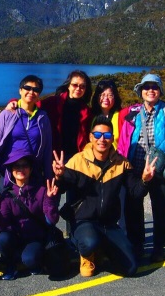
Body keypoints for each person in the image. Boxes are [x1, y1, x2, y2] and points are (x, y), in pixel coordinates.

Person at [53, 116, 156, 277]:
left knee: (130, 268)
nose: (102, 139)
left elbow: (136, 192)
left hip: (109, 224)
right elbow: (62, 188)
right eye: (97, 135)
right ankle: (85, 252)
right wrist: (59, 177)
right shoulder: (77, 161)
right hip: (83, 221)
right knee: (89, 243)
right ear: (90, 137)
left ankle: (101, 250)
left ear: (112, 138)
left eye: (107, 135)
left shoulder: (121, 163)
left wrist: (144, 180)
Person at [117, 74, 165, 262]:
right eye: (146, 87)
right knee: (133, 207)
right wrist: (121, 161)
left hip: (159, 167)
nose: (150, 90)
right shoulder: (132, 112)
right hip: (135, 166)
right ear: (140, 91)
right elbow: (124, 139)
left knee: (162, 207)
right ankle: (137, 244)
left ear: (160, 91)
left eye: (155, 87)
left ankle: (159, 246)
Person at [0, 153, 63, 279]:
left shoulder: (42, 190)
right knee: (2, 239)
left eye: (25, 165)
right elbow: (2, 226)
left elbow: (52, 220)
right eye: (17, 166)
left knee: (30, 260)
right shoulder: (7, 195)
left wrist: (50, 200)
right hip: (17, 236)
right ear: (11, 170)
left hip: (35, 237)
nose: (21, 169)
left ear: (31, 169)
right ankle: (10, 265)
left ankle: (36, 256)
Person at [0, 75, 53, 189]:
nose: (31, 92)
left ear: (39, 94)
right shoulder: (7, 114)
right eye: (27, 88)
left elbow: (47, 148)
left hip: (32, 172)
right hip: (8, 171)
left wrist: (48, 176)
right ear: (20, 90)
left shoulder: (43, 118)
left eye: (36, 89)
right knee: (7, 199)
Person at [40, 70, 93, 160]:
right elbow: (31, 106)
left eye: (82, 86)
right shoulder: (53, 102)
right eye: (75, 85)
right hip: (54, 156)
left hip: (77, 157)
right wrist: (15, 102)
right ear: (68, 85)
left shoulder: (87, 111)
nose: (78, 89)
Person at [90, 79, 123, 144]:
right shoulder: (90, 116)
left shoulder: (121, 116)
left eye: (110, 95)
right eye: (102, 95)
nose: (106, 98)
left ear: (115, 97)